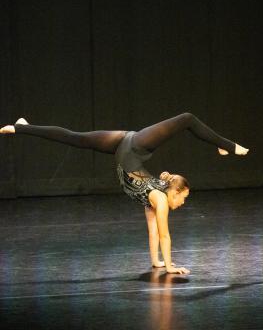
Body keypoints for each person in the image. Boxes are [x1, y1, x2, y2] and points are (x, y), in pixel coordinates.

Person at [0, 112, 249, 274]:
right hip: (137, 145)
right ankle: (227, 145)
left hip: (121, 144)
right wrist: (171, 266)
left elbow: (153, 230)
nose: (183, 203)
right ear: (177, 191)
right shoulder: (160, 198)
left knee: (74, 138)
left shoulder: (153, 196)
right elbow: (165, 235)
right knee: (187, 119)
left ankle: (24, 127)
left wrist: (158, 263)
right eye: (184, 198)